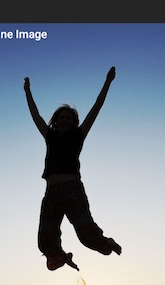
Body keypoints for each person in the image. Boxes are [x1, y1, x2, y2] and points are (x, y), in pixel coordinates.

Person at [24, 66, 121, 271]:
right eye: (62, 117)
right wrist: (27, 92)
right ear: (56, 121)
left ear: (74, 122)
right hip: (51, 192)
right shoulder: (49, 136)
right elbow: (36, 116)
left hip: (72, 189)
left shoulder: (78, 135)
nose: (65, 120)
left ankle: (106, 243)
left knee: (86, 234)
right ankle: (58, 256)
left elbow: (96, 107)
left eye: (69, 117)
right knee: (44, 237)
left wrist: (108, 82)